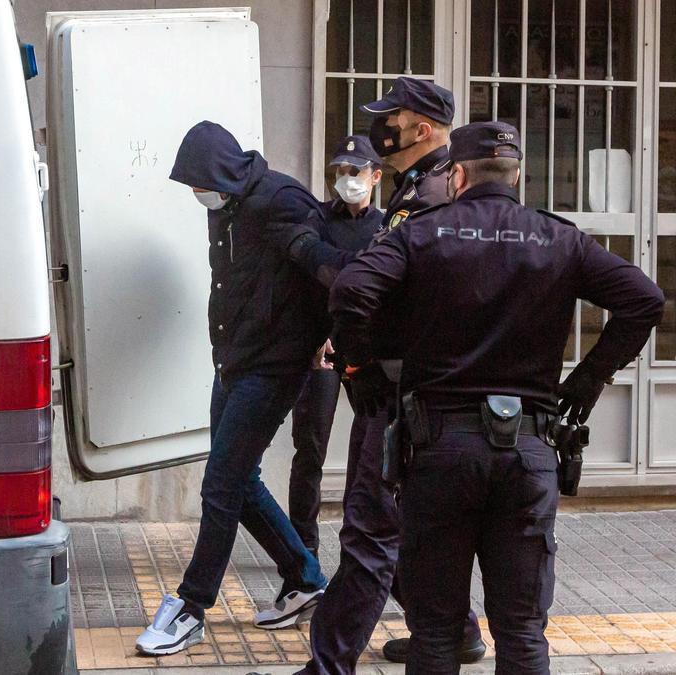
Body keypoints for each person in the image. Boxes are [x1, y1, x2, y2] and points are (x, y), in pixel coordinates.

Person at [328, 121, 664, 674]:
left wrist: (362, 370)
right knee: (523, 633)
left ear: (456, 174)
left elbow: (350, 291)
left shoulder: (422, 233)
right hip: (528, 454)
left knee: (435, 634)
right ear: (517, 176)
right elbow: (644, 300)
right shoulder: (559, 238)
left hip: (438, 450)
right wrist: (589, 378)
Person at [289, 77, 487, 675]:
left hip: (404, 390)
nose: (383, 129)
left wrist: (360, 359)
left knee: (369, 528)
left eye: (392, 119)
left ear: (423, 129)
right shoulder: (425, 186)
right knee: (393, 524)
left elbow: (387, 291)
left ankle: (329, 665)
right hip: (411, 385)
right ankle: (457, 634)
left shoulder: (428, 195)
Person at [134, 121, 330, 656]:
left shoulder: (281, 201)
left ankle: (191, 607)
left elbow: (323, 269)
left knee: (220, 483)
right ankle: (306, 577)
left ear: (220, 173)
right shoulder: (228, 208)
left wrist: (321, 338)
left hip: (274, 367)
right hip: (236, 363)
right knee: (238, 484)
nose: (197, 195)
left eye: (198, 183)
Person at [285, 135, 384, 560]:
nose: (346, 180)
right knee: (310, 447)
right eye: (340, 172)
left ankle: (359, 539)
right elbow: (308, 262)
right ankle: (301, 544)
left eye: (355, 171)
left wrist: (336, 268)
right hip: (321, 346)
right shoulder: (318, 217)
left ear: (375, 176)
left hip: (366, 346)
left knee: (369, 451)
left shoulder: (387, 224)